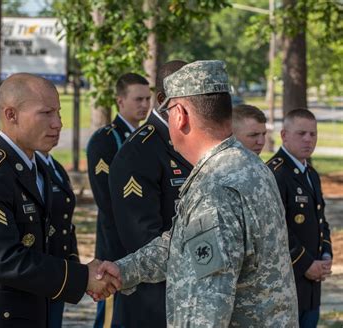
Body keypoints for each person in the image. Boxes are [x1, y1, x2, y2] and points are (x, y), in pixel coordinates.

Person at [95, 60, 299, 326]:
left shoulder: (214, 186)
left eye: (168, 112)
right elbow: (189, 243)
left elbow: (206, 304)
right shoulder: (247, 166)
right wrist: (126, 269)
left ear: (180, 114)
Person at [0, 73, 119, 328]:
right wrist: (80, 277)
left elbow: (55, 239)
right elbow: (3, 260)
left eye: (58, 112)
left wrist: (83, 274)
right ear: (11, 115)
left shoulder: (40, 169)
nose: (58, 124)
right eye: (46, 113)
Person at [107, 60, 193, 327]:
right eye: (189, 100)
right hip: (153, 301)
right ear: (163, 99)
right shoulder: (139, 151)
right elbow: (142, 238)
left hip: (188, 294)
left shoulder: (191, 143)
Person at [86, 73, 150, 327]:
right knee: (113, 319)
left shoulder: (149, 138)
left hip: (146, 249)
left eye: (147, 99)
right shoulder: (105, 140)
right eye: (138, 99)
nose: (144, 105)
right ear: (120, 101)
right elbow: (106, 199)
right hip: (117, 248)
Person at [267, 108, 332, 328]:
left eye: (313, 134)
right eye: (301, 133)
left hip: (312, 283)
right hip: (288, 281)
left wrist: (325, 253)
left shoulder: (310, 173)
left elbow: (320, 218)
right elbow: (276, 229)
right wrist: (306, 264)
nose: (308, 139)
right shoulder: (276, 173)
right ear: (284, 135)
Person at [36, 148, 80, 328]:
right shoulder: (29, 168)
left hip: (58, 268)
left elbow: (66, 222)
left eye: (58, 117)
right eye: (46, 117)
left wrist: (73, 261)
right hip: (39, 269)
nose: (57, 125)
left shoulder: (55, 166)